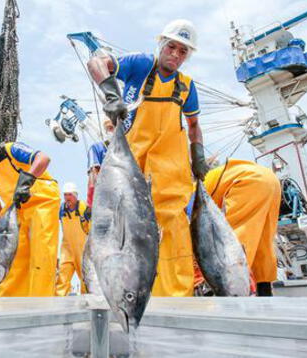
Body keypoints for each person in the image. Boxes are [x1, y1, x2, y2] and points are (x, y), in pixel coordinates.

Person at [87, 19, 209, 296]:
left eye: (183, 52)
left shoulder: (187, 87)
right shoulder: (141, 65)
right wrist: (109, 93)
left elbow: (193, 125)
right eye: (172, 46)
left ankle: (179, 300)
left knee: (175, 238)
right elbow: (97, 61)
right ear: (161, 43)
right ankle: (134, 296)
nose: (175, 55)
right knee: (131, 235)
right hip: (133, 172)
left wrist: (197, 153)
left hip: (171, 177)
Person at [0, 125, 60, 297]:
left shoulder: (11, 150)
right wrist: (2, 228)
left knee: (42, 252)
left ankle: (40, 303)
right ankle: (7, 305)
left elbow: (43, 159)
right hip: (15, 208)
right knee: (13, 258)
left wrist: (27, 181)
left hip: (42, 200)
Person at [201, 159, 281, 296]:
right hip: (270, 179)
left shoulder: (191, 189)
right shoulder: (215, 175)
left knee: (231, 245)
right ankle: (264, 290)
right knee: (262, 244)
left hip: (245, 181)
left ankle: (227, 297)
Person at [56, 182, 90, 296]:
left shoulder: (84, 209)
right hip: (67, 250)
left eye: (69, 195)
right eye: (65, 195)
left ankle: (87, 307)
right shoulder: (61, 209)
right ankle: (59, 306)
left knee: (86, 281)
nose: (67, 198)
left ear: (75, 196)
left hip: (83, 251)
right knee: (62, 279)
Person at [86, 118, 115, 207]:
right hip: (105, 197)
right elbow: (93, 175)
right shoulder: (96, 148)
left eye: (113, 127)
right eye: (109, 128)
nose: (111, 131)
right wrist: (90, 204)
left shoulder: (129, 146)